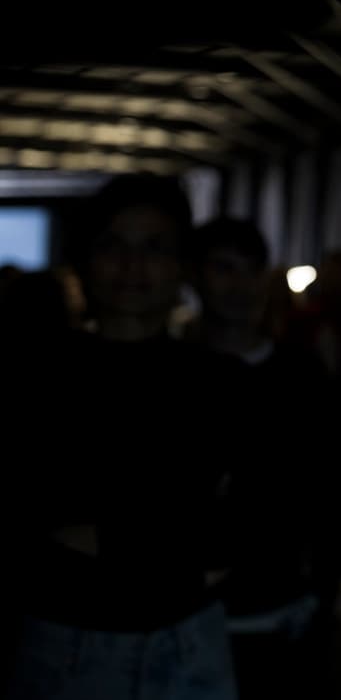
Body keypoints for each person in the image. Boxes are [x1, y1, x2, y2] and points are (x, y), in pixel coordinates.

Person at [2, 172, 245, 700]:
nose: (133, 267)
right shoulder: (31, 378)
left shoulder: (222, 383)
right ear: (84, 259)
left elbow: (248, 522)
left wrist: (105, 538)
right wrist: (172, 543)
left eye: (155, 248)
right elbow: (25, 519)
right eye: (114, 245)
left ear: (181, 268)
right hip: (59, 647)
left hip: (191, 645)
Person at [184, 216, 341, 699]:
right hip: (183, 618)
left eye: (250, 270)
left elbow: (334, 491)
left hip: (282, 613)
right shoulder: (172, 374)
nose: (239, 285)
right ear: (194, 276)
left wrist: (327, 593)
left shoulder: (303, 377)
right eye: (223, 269)